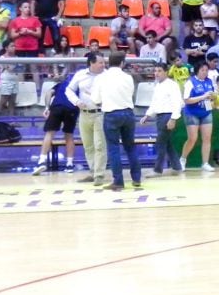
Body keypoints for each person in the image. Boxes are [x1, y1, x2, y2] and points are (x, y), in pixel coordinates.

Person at [93, 52, 141, 191]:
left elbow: (96, 100)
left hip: (111, 114)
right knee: (130, 147)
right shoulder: (128, 77)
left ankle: (118, 181)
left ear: (109, 62)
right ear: (122, 63)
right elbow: (131, 94)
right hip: (128, 113)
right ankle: (136, 178)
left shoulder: (101, 78)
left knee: (113, 148)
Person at [65, 52, 107, 185]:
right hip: (84, 114)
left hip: (101, 114)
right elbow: (69, 90)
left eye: (104, 62)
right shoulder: (80, 75)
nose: (103, 65)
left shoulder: (106, 76)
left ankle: (99, 175)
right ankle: (93, 171)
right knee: (88, 145)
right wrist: (76, 101)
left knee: (100, 145)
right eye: (100, 62)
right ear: (91, 63)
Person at [32, 74, 80, 175]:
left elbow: (49, 92)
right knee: (69, 135)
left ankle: (41, 161)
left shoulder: (61, 84)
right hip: (72, 108)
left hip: (57, 107)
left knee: (49, 133)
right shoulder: (80, 85)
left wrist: (47, 108)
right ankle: (69, 164)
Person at [140, 62, 183, 175]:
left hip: (168, 115)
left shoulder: (172, 85)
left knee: (161, 143)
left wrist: (173, 118)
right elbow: (155, 103)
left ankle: (158, 170)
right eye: (155, 71)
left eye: (159, 71)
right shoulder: (158, 85)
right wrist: (147, 115)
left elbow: (177, 103)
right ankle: (177, 167)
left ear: (166, 72)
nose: (156, 73)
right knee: (167, 143)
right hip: (159, 116)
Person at [181, 59, 217, 171]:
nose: (205, 72)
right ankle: (183, 159)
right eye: (202, 70)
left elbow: (213, 96)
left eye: (206, 70)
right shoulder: (190, 82)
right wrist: (202, 97)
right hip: (192, 113)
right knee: (192, 138)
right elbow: (186, 100)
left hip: (206, 112)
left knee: (207, 138)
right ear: (197, 71)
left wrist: (212, 98)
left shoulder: (210, 81)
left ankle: (205, 163)